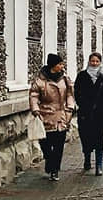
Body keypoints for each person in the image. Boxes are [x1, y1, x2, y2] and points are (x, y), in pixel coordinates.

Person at [29, 53, 75, 181]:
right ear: (53, 65)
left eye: (62, 64)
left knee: (59, 144)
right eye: (60, 64)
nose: (62, 66)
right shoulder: (40, 80)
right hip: (45, 116)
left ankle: (55, 170)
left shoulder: (65, 79)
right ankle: (49, 161)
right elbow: (33, 96)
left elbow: (70, 95)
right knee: (45, 143)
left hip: (62, 116)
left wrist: (70, 108)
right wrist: (36, 110)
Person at [74, 53, 103, 175]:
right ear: (89, 61)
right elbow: (77, 92)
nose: (94, 63)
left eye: (97, 61)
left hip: (100, 113)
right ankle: (87, 158)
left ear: (100, 62)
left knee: (99, 139)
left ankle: (99, 165)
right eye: (92, 61)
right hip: (85, 113)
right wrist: (83, 104)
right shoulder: (82, 76)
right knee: (85, 137)